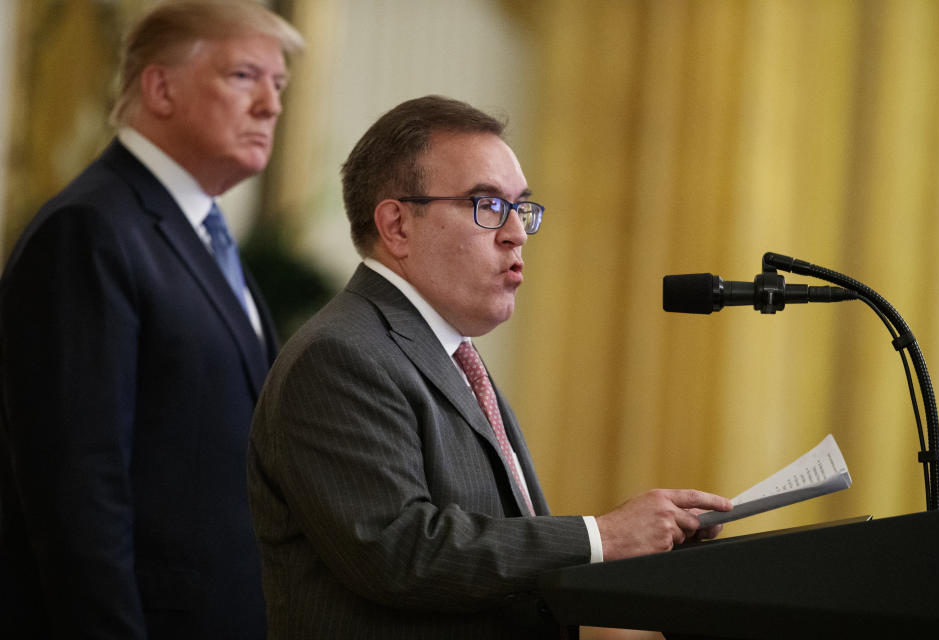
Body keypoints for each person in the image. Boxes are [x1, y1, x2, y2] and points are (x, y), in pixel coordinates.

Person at [247, 95, 732, 639]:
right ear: (397, 226)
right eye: (487, 206)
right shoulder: (342, 355)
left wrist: (643, 550)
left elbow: (492, 555)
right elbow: (401, 552)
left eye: (520, 208)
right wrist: (602, 536)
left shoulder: (450, 354)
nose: (516, 234)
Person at [0, 1, 303, 638]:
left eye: (278, 85)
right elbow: (77, 488)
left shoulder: (204, 239)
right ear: (160, 87)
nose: (271, 105)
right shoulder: (91, 230)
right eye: (244, 76)